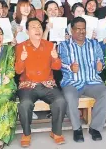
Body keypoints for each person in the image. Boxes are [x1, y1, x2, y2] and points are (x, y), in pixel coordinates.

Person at [15, 18, 66, 147]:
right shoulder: (21, 47)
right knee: (25, 104)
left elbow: (57, 67)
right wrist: (21, 59)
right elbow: (18, 70)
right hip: (28, 85)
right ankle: (26, 133)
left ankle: (56, 132)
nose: (37, 29)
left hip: (47, 84)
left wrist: (55, 58)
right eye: (33, 27)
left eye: (39, 26)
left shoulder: (49, 45)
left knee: (60, 101)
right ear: (27, 31)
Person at [58, 17, 106, 142]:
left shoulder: (94, 44)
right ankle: (77, 129)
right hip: (72, 81)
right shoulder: (64, 46)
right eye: (78, 29)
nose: (81, 32)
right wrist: (70, 67)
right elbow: (60, 64)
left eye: (84, 29)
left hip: (92, 81)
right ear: (72, 30)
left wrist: (100, 66)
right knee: (69, 97)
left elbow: (101, 62)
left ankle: (95, 128)